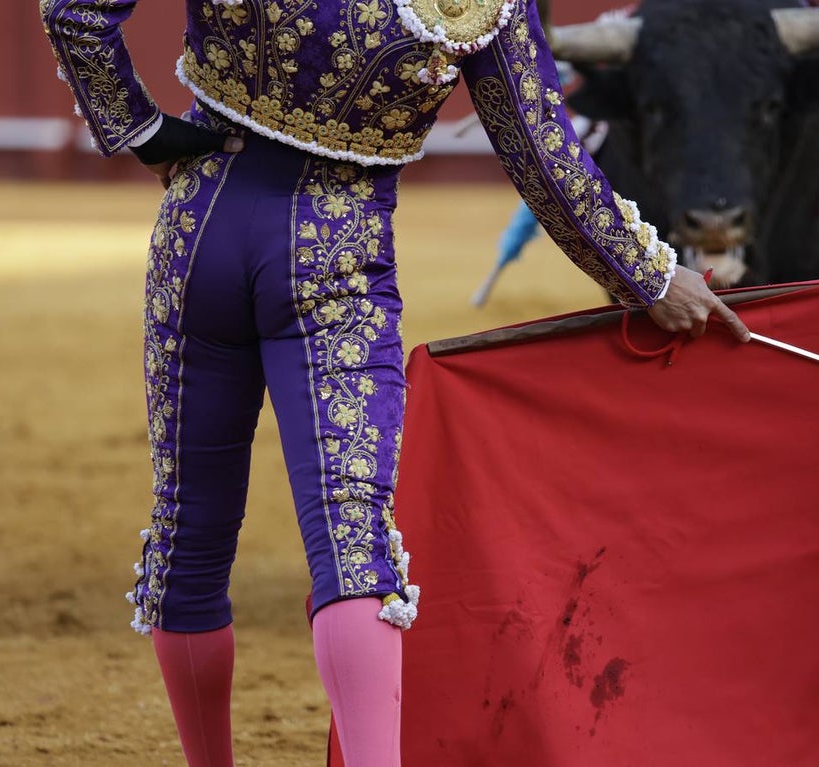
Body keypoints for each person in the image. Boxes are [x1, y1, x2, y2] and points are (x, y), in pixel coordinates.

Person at [41, 1, 750, 765]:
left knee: (190, 534)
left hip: (199, 229)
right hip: (333, 257)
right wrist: (649, 275)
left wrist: (139, 127)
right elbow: (543, 156)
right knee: (351, 547)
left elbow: (74, 10)